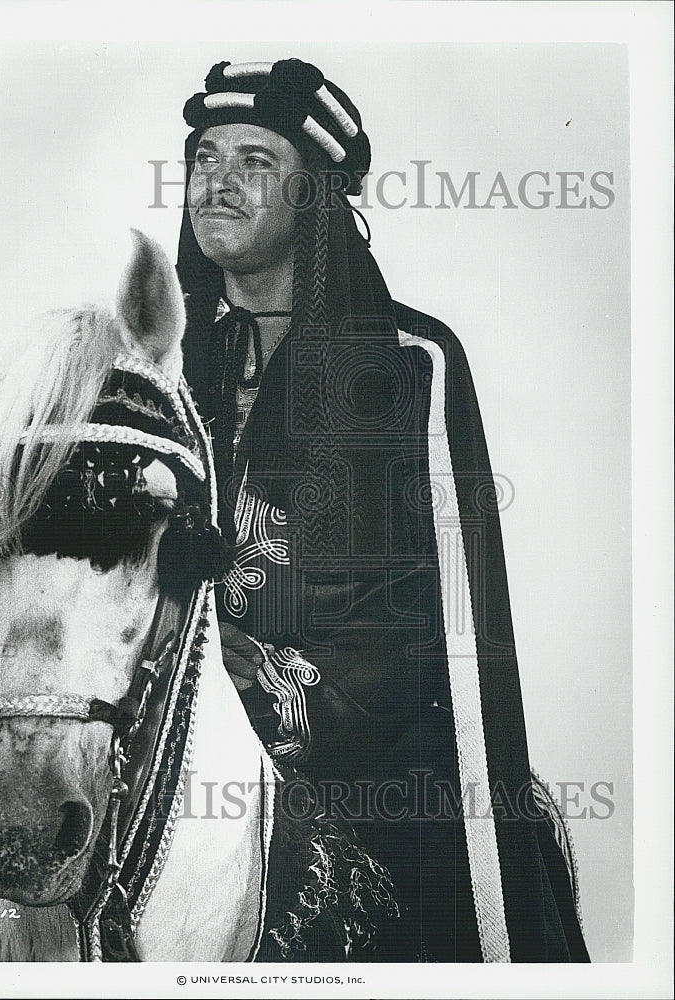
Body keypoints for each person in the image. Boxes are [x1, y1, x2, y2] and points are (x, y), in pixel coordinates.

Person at [176, 58, 589, 962]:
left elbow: (452, 631)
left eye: (254, 159)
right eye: (205, 156)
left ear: (315, 194)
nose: (217, 179)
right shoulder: (162, 372)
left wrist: (268, 681)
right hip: (176, 767)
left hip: (370, 787)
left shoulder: (410, 364)